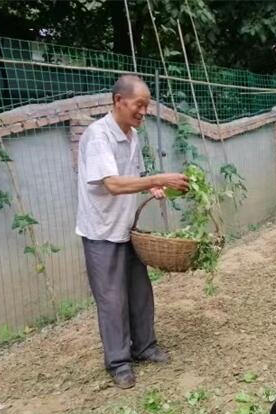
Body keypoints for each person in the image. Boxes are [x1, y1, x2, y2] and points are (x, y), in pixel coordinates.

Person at [75, 74, 189, 389]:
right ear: (118, 101)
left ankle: (144, 347)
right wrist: (157, 179)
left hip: (128, 229)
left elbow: (133, 175)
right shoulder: (99, 136)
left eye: (146, 106)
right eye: (139, 105)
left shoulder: (132, 135)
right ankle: (118, 363)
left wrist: (150, 186)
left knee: (140, 292)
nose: (143, 112)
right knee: (112, 300)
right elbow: (111, 183)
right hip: (101, 231)